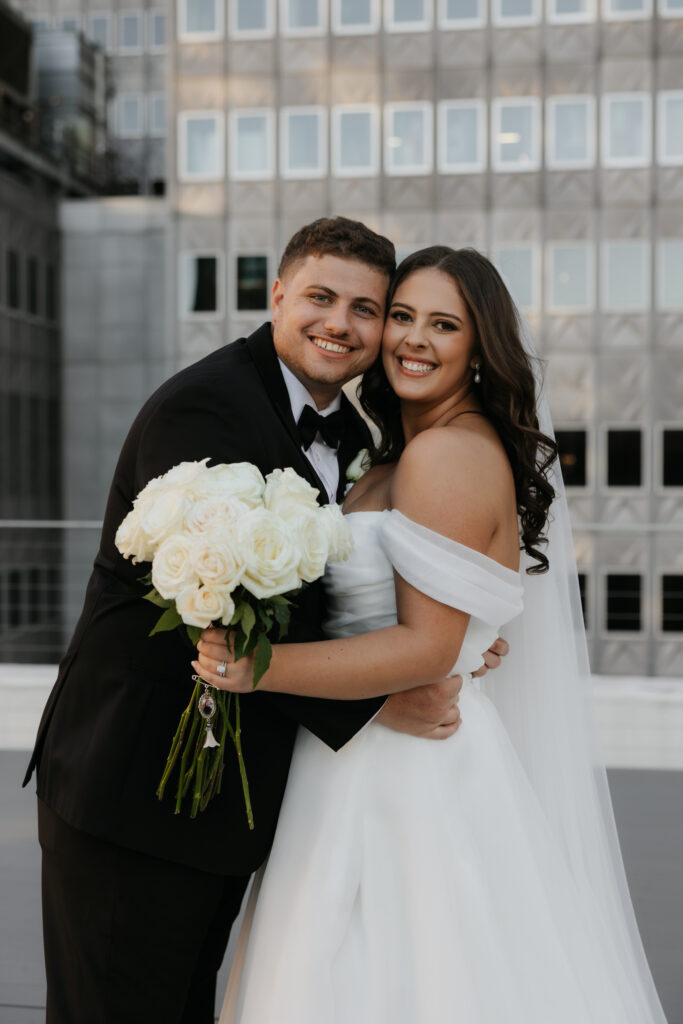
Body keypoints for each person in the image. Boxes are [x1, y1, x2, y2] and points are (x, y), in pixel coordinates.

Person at [23, 218, 507, 1023]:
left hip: (235, 806)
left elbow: (341, 590)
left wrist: (465, 628)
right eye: (320, 297)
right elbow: (199, 620)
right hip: (132, 789)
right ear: (277, 294)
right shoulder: (206, 406)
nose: (341, 324)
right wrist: (382, 696)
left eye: (365, 308)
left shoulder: (357, 436)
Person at [196, 247, 669, 1024]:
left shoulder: (447, 452)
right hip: (353, 754)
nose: (413, 339)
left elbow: (423, 648)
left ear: (479, 348)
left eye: (443, 324)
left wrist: (259, 666)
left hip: (405, 776)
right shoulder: (398, 449)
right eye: (403, 317)